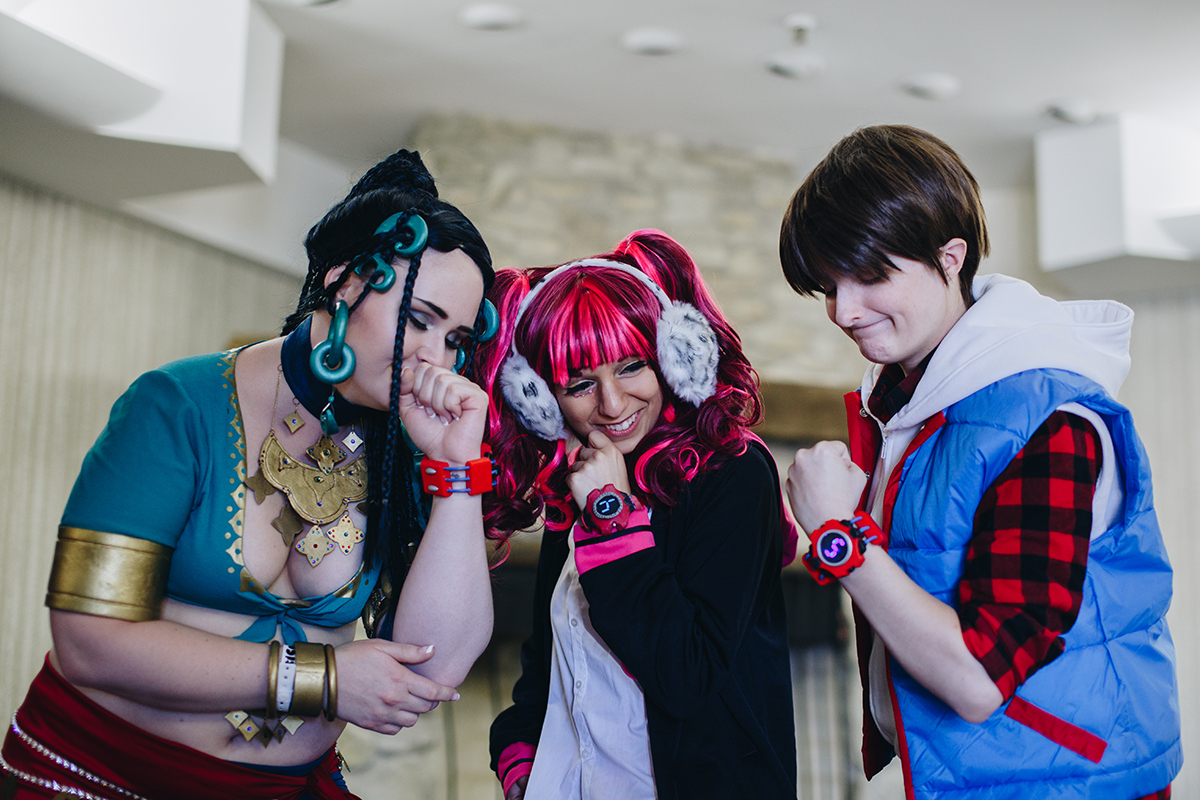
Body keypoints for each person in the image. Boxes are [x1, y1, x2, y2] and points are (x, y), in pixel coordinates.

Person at [0, 150, 498, 799]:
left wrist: (457, 472)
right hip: (99, 777)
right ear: (344, 283)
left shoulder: (408, 442)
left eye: (456, 339)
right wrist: (324, 679)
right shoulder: (175, 404)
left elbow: (437, 669)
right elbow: (88, 643)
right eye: (419, 320)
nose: (436, 359)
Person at [779, 125, 1180, 799]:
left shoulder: (1045, 419)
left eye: (871, 277)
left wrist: (837, 536)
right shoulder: (914, 406)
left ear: (950, 257)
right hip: (990, 773)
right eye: (828, 284)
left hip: (1067, 783)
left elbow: (977, 679)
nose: (844, 311)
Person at [482, 229, 799, 800]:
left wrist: (613, 516)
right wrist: (521, 760)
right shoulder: (581, 482)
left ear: (674, 359)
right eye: (580, 383)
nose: (611, 404)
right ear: (540, 398)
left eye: (631, 366)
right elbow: (548, 663)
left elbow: (687, 673)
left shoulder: (734, 471)